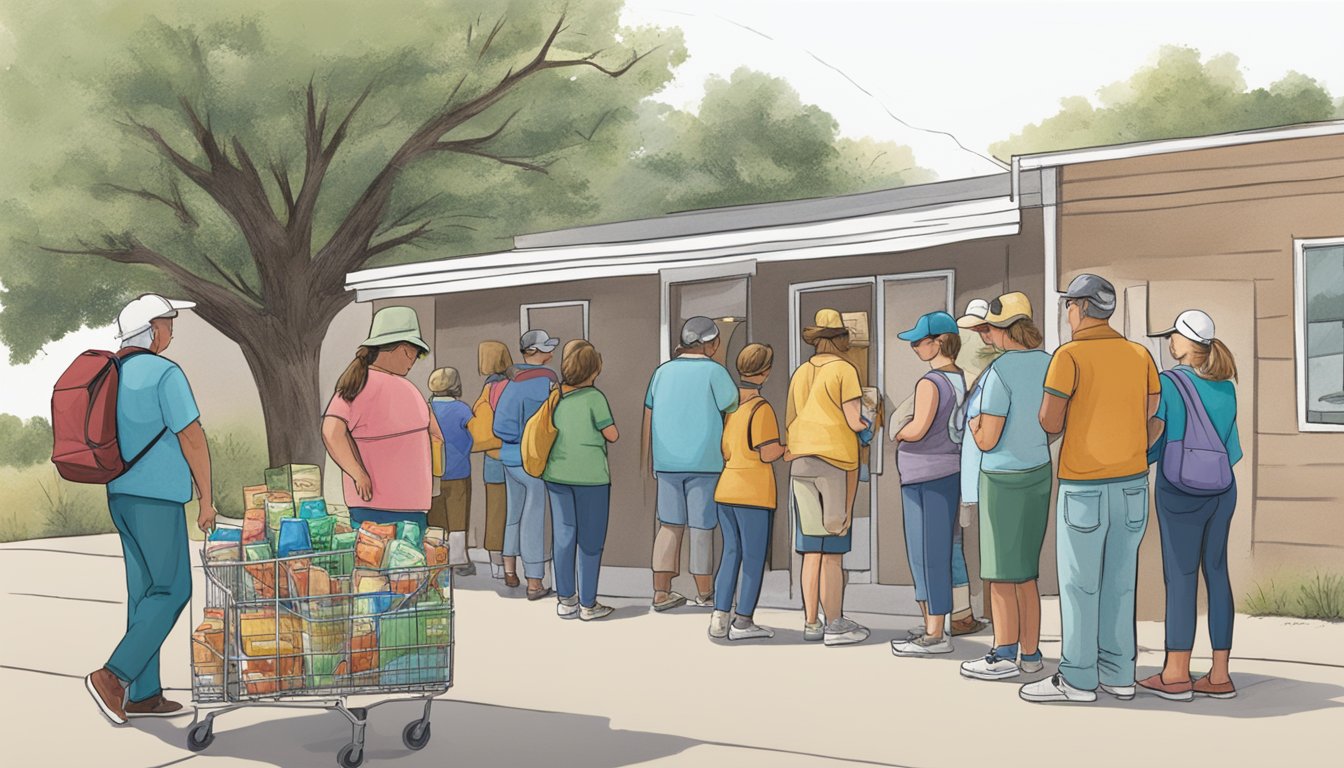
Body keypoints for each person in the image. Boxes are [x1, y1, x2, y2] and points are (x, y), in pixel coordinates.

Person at [1020, 274, 1161, 704]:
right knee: (1121, 582)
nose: (1067, 313)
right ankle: (1119, 673)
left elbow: (1049, 420)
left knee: (1081, 585)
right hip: (1134, 484)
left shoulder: (1070, 356)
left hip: (1084, 485)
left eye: (1069, 306)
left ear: (1079, 308)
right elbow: (1152, 409)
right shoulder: (1140, 354)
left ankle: (1079, 679)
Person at [85, 294, 216, 724]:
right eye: (168, 324)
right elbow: (192, 437)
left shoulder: (111, 374)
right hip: (158, 498)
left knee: (144, 594)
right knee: (174, 589)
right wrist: (207, 499)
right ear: (151, 330)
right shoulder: (165, 373)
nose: (172, 332)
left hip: (119, 494)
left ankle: (143, 694)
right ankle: (113, 675)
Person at [1139, 310, 1242, 701]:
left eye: (1174, 336)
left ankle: (1176, 673)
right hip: (1222, 490)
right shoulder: (1226, 388)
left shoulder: (1169, 383)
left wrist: (1138, 457)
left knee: (1181, 576)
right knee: (1217, 573)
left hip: (1180, 489)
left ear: (1188, 343)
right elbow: (1231, 449)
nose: (1170, 342)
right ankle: (1219, 674)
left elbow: (1155, 435)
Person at [958, 293, 1053, 681]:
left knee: (999, 574)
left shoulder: (999, 372)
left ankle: (1002, 652)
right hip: (1039, 472)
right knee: (1027, 573)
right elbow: (1055, 424)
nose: (988, 336)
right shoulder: (1050, 364)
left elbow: (986, 439)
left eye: (992, 329)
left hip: (1002, 478)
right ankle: (1031, 654)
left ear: (1004, 331)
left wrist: (974, 423)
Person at [785, 309, 873, 646]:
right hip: (836, 461)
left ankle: (811, 622)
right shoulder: (844, 370)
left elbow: (791, 420)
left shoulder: (800, 373)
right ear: (841, 340)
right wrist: (870, 423)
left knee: (810, 549)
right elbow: (854, 420)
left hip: (801, 463)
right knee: (834, 548)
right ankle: (834, 622)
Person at [643, 316, 739, 612]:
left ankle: (661, 592)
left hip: (667, 461)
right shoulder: (715, 371)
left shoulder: (662, 372)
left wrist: (649, 458)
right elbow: (732, 405)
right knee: (701, 527)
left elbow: (650, 412)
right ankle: (705, 593)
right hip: (704, 461)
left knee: (669, 526)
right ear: (710, 344)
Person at [323, 306, 444, 537]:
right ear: (404, 349)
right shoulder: (361, 386)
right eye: (415, 354)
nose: (413, 362)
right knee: (403, 568)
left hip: (390, 504)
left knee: (377, 570)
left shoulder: (363, 385)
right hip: (389, 505)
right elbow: (331, 431)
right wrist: (358, 473)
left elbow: (332, 432)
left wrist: (358, 472)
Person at [891, 311, 965, 657]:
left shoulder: (930, 382)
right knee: (937, 549)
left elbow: (918, 428)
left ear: (940, 342)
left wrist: (897, 432)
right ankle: (932, 625)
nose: (915, 347)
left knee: (926, 553)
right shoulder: (963, 379)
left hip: (925, 473)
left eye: (921, 341)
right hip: (949, 470)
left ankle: (935, 632)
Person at [710, 344, 785, 641]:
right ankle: (743, 621)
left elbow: (725, 448)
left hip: (726, 489)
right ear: (766, 373)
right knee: (753, 559)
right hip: (753, 493)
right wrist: (787, 448)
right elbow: (767, 453)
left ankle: (719, 616)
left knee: (730, 553)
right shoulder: (761, 408)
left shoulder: (730, 408)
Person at [544, 340, 619, 621]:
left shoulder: (555, 395)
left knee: (563, 537)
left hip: (557, 475)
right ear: (593, 371)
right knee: (590, 540)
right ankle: (588, 604)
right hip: (591, 479)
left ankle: (566, 600)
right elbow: (612, 434)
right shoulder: (594, 398)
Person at [493, 329, 562, 600]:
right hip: (533, 460)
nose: (551, 352)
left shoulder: (511, 382)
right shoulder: (546, 382)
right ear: (534, 352)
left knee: (514, 513)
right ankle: (534, 582)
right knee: (534, 518)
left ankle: (510, 570)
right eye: (546, 348)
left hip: (508, 458)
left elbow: (499, 426)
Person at [470, 341, 514, 580]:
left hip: (492, 458)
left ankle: (497, 564)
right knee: (515, 512)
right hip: (514, 456)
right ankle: (512, 565)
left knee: (495, 512)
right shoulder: (512, 386)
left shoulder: (487, 389)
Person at [428, 367, 475, 576]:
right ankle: (458, 560)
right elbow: (476, 434)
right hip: (459, 470)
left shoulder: (426, 408)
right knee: (458, 516)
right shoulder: (463, 409)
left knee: (436, 515)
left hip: (434, 472)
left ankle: (436, 558)